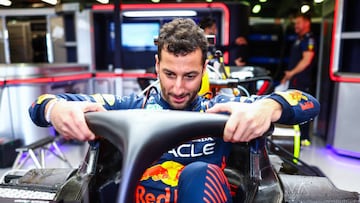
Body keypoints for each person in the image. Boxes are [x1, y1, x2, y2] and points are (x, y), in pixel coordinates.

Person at [29, 18, 319, 203]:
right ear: (156, 65)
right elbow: (39, 106)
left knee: (198, 173)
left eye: (190, 76)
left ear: (204, 69)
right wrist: (56, 108)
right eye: (169, 74)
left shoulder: (221, 108)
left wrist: (269, 106)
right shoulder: (133, 106)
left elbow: (306, 102)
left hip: (206, 192)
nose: (178, 88)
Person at [280, 13, 317, 146]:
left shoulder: (309, 39)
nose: (296, 26)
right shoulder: (298, 39)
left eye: (298, 23)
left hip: (303, 81)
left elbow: (307, 60)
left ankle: (304, 138)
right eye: (295, 23)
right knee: (292, 107)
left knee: (302, 107)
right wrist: (287, 77)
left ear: (307, 23)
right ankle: (294, 137)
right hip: (294, 80)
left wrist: (291, 73)